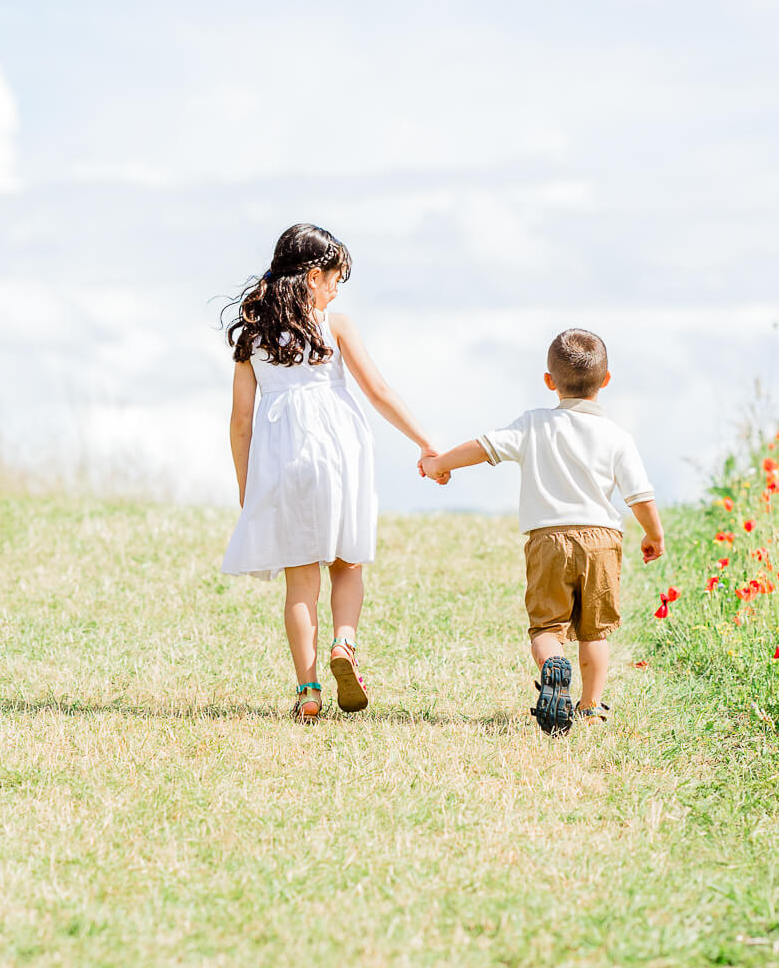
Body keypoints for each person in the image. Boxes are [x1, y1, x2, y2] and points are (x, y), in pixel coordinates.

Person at [221, 223, 440, 722]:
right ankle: (345, 644)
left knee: (300, 581)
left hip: (281, 461)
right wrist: (426, 442)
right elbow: (378, 391)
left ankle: (308, 690)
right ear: (316, 277)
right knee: (347, 563)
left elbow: (239, 423)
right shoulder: (336, 325)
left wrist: (246, 486)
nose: (338, 289)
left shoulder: (252, 338)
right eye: (337, 277)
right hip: (339, 452)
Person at [420, 328, 664, 734]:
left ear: (550, 382)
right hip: (602, 539)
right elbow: (640, 495)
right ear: (605, 380)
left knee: (547, 628)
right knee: (595, 631)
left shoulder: (533, 425)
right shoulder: (617, 436)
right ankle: (590, 706)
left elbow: (483, 447)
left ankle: (553, 663)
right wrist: (653, 535)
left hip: (547, 540)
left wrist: (439, 463)